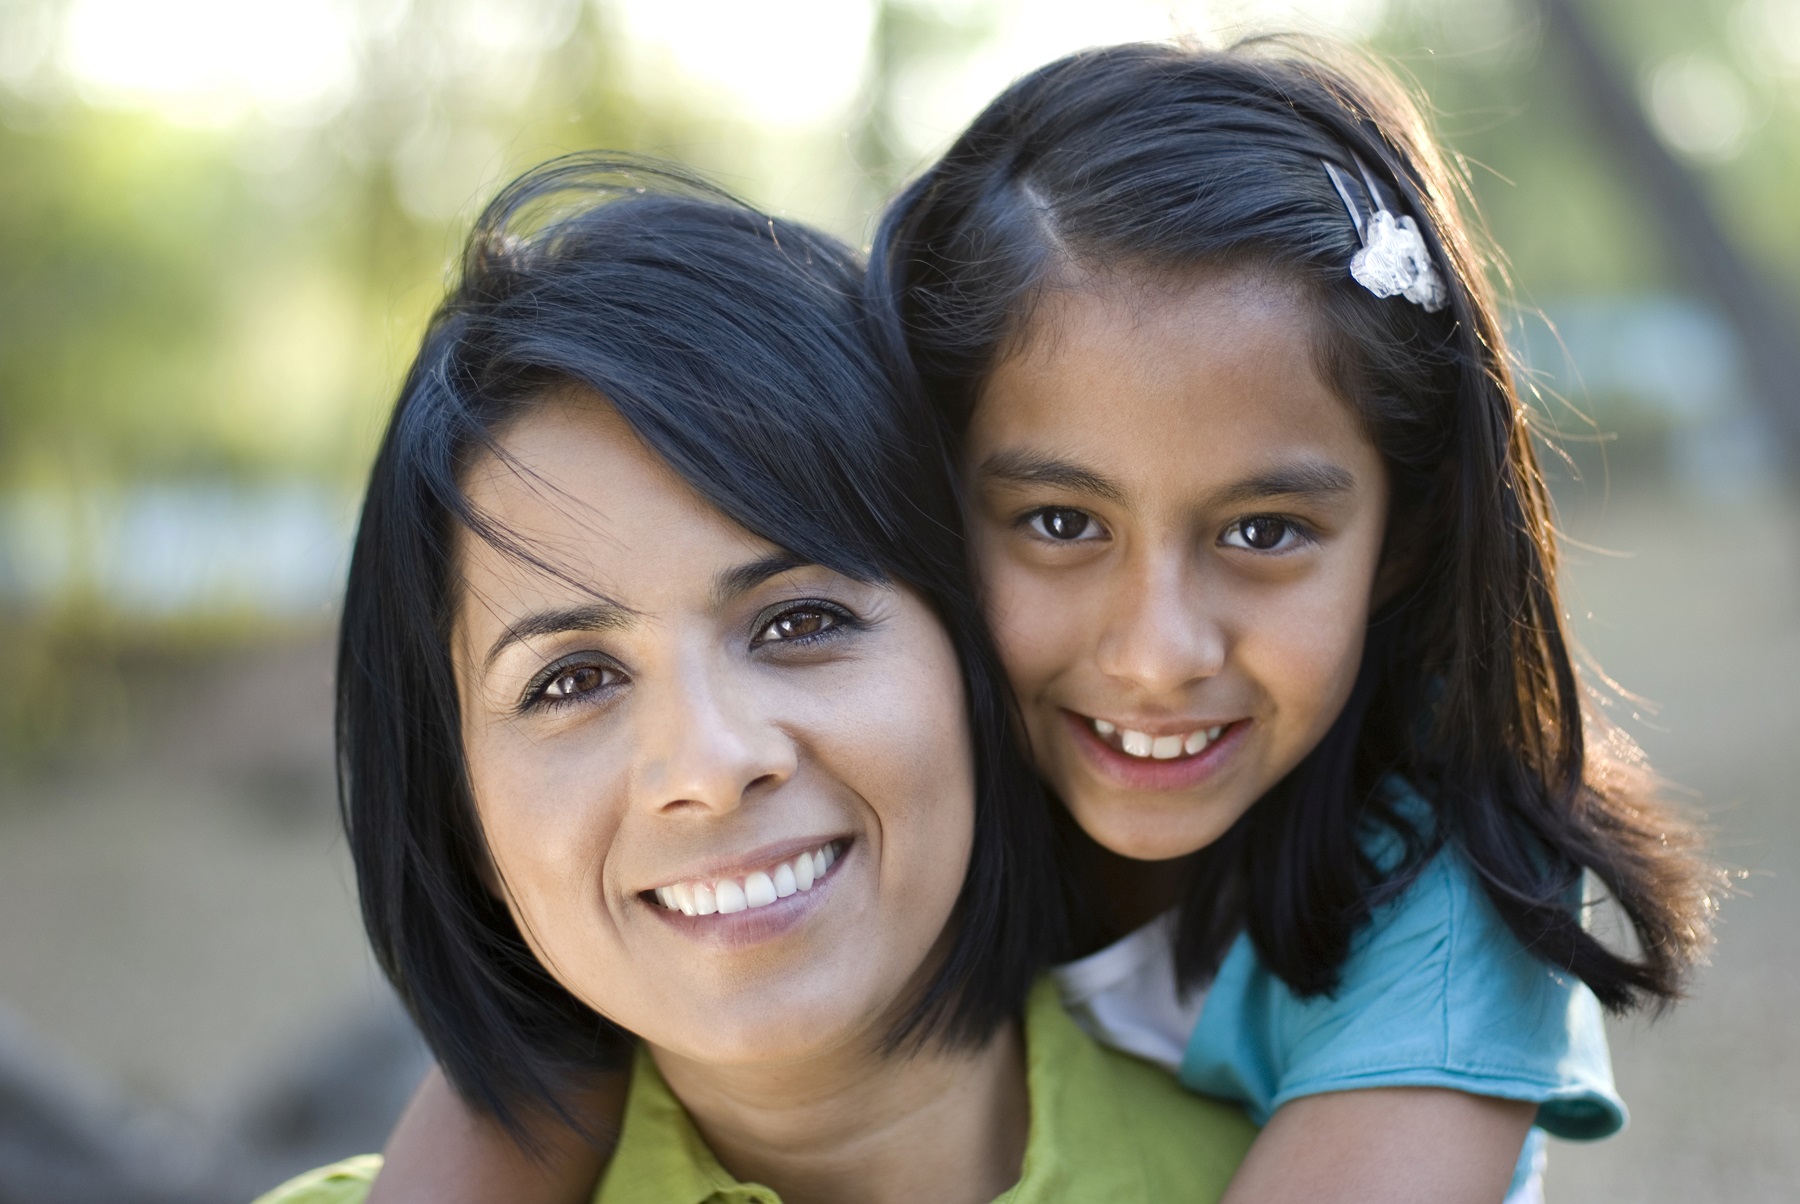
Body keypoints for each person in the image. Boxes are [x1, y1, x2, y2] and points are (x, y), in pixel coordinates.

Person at [367, 38, 1720, 1204]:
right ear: (923, 503)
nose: (1156, 651)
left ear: (1402, 539)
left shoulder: (1441, 901)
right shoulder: (888, 760)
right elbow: (536, 1053)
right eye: (1061, 526)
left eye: (1265, 534)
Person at [252, 157, 1254, 1204]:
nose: (713, 763)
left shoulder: (1328, 1169)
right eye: (572, 679)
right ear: (460, 815)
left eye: (798, 619)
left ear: (976, 655)